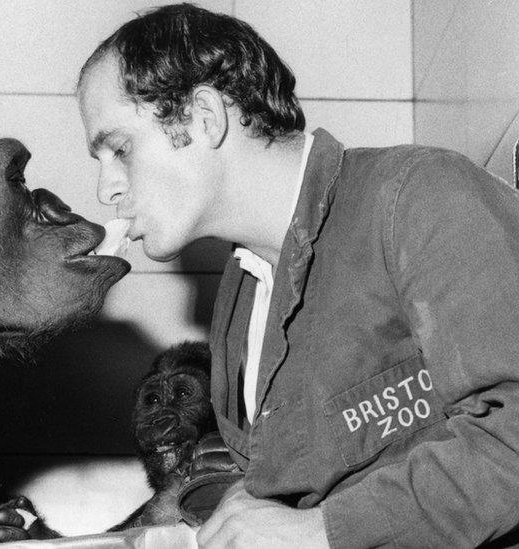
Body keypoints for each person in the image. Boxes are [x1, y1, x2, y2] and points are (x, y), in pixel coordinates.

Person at [76, 3, 519, 548]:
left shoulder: (416, 198)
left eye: (119, 149)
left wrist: (320, 533)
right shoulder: (236, 305)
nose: (106, 191)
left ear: (204, 117)